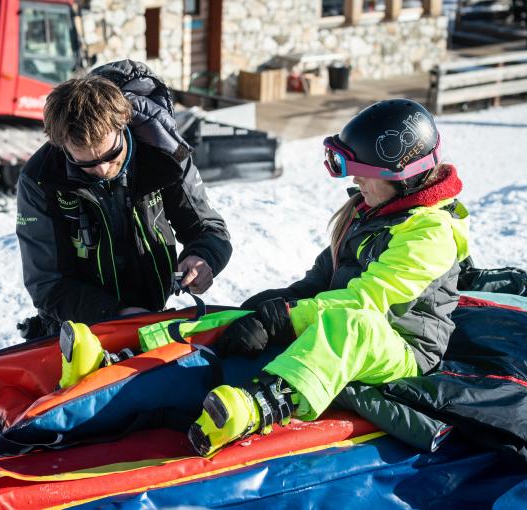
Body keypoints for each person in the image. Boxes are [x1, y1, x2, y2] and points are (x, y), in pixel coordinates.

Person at [188, 98, 470, 456]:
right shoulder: (367, 211)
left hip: (402, 347)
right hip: (343, 323)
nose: (354, 179)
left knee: (353, 326)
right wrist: (277, 303)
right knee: (250, 314)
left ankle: (261, 404)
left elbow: (366, 302)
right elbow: (325, 276)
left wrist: (286, 320)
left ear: (397, 174)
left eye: (362, 170)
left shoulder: (430, 234)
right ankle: (141, 356)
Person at [16, 60, 232, 338]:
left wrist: (203, 257)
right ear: (62, 145)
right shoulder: (40, 180)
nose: (103, 169)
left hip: (152, 315)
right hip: (81, 326)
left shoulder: (164, 153)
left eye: (110, 155)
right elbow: (47, 284)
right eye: (86, 163)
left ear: (123, 125)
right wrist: (116, 315)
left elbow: (209, 228)